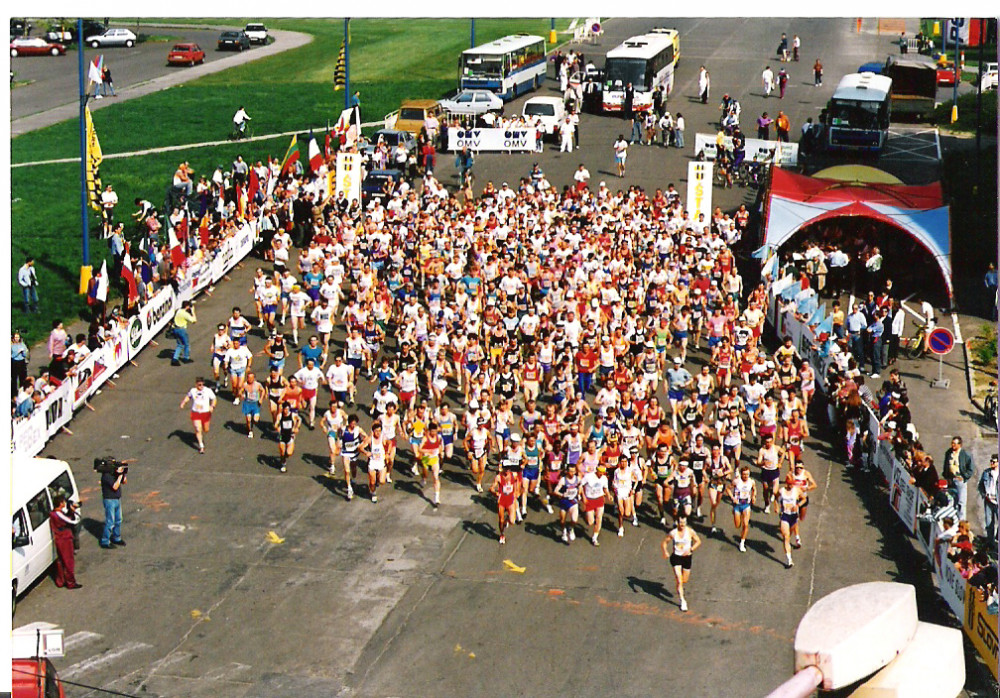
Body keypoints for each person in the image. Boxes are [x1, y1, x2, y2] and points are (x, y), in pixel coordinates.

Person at [661, 515, 701, 611]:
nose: (682, 525)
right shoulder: (673, 533)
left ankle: (680, 587)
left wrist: (691, 549)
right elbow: (664, 543)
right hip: (676, 558)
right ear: (677, 523)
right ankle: (683, 601)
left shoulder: (690, 532)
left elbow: (698, 541)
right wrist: (665, 551)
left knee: (684, 580)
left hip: (687, 558)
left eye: (684, 523)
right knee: (679, 580)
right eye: (680, 523)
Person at [49, 495, 82, 589]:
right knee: (68, 560)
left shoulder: (54, 513)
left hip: (60, 538)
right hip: (64, 538)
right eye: (63, 502)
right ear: (60, 503)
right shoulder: (58, 514)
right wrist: (73, 511)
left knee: (61, 560)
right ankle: (70, 582)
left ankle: (61, 580)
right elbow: (72, 521)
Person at [180, 377, 217, 454]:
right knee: (197, 428)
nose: (201, 386)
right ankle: (201, 446)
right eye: (199, 385)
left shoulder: (208, 391)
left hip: (206, 413)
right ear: (196, 384)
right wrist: (183, 402)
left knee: (206, 429)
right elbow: (188, 397)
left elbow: (214, 399)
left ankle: (201, 433)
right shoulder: (193, 391)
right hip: (196, 413)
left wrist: (212, 406)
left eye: (202, 385)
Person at [777, 475, 805, 568]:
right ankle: (789, 560)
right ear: (786, 483)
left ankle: (797, 538)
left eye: (792, 484)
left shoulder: (797, 490)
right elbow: (776, 497)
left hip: (793, 516)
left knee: (791, 533)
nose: (790, 486)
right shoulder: (781, 491)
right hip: (784, 516)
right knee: (786, 537)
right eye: (789, 484)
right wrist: (776, 506)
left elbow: (804, 498)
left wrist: (798, 505)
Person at [942, 436, 974, 519]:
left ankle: (962, 521)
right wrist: (946, 477)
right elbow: (946, 465)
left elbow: (970, 469)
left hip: (960, 480)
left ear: (960, 445)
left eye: (955, 444)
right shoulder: (948, 453)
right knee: (951, 500)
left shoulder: (965, 455)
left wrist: (964, 477)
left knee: (961, 502)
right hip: (951, 480)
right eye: (952, 443)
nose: (953, 445)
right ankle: (952, 519)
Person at [490, 463, 522, 545]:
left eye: (509, 469)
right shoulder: (498, 477)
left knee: (512, 521)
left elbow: (517, 482)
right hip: (502, 501)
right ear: (503, 468)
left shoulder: (513, 475)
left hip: (510, 500)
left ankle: (507, 520)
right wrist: (495, 493)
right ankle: (502, 534)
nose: (507, 470)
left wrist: (516, 491)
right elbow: (491, 488)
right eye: (506, 468)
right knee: (501, 520)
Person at [728, 465, 757, 552]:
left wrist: (754, 496)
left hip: (746, 505)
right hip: (737, 505)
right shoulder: (736, 481)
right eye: (744, 474)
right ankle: (735, 513)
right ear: (741, 474)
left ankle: (742, 543)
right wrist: (733, 498)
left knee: (746, 524)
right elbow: (728, 489)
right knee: (737, 525)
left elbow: (754, 489)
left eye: (747, 474)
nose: (746, 476)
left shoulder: (751, 482)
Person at [99, 462, 127, 549]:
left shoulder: (114, 474)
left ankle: (116, 537)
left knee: (118, 520)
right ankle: (105, 541)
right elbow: (115, 486)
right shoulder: (106, 476)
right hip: (109, 500)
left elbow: (125, 482)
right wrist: (119, 477)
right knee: (110, 521)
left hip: (117, 499)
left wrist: (123, 474)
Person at [977, 455, 998, 543]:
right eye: (991, 461)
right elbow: (980, 485)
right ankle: (990, 542)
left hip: (997, 501)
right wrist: (984, 495)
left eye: (994, 462)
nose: (991, 463)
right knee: (989, 523)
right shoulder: (986, 472)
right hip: (988, 500)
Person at [276, 402, 301, 473]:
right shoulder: (280, 416)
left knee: (289, 453)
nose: (286, 411)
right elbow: (276, 424)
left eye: (288, 409)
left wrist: (297, 427)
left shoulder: (293, 415)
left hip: (290, 435)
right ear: (283, 409)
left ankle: (284, 458)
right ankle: (283, 464)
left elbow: (300, 419)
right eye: (285, 409)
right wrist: (277, 427)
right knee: (282, 452)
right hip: (282, 435)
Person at [171, 300, 197, 366]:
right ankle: (186, 358)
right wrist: (193, 311)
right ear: (187, 306)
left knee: (179, 344)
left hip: (175, 329)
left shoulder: (178, 311)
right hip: (182, 330)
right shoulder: (185, 314)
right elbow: (194, 321)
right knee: (186, 344)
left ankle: (175, 358)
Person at [240, 372, 266, 438]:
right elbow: (240, 391)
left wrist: (261, 399)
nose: (250, 379)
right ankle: (250, 431)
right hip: (247, 403)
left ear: (254, 378)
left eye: (251, 378)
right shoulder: (245, 385)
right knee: (248, 420)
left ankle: (252, 423)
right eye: (249, 378)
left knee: (256, 420)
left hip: (255, 403)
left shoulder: (257, 385)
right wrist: (241, 395)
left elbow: (263, 391)